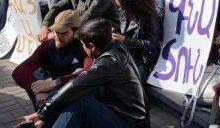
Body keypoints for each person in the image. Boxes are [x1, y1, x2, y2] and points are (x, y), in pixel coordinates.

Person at [22, 18, 150, 128]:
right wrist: (44, 112)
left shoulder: (109, 62)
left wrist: (43, 112)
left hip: (129, 122)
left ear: (92, 46)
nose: (82, 47)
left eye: (83, 44)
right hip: (115, 110)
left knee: (79, 103)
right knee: (59, 95)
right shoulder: (114, 48)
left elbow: (77, 85)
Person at [12, 10, 86, 109]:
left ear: (76, 32)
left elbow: (88, 73)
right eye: (56, 31)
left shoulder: (84, 47)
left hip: (77, 92)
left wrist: (56, 83)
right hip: (53, 90)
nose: (57, 36)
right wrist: (39, 89)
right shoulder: (48, 45)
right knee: (33, 79)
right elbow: (19, 71)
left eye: (63, 33)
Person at [111, 0, 161, 78]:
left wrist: (125, 40)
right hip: (126, 54)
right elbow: (125, 29)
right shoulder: (124, 12)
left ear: (133, 4)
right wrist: (114, 31)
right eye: (119, 7)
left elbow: (150, 44)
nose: (121, 10)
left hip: (143, 60)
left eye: (123, 7)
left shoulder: (150, 16)